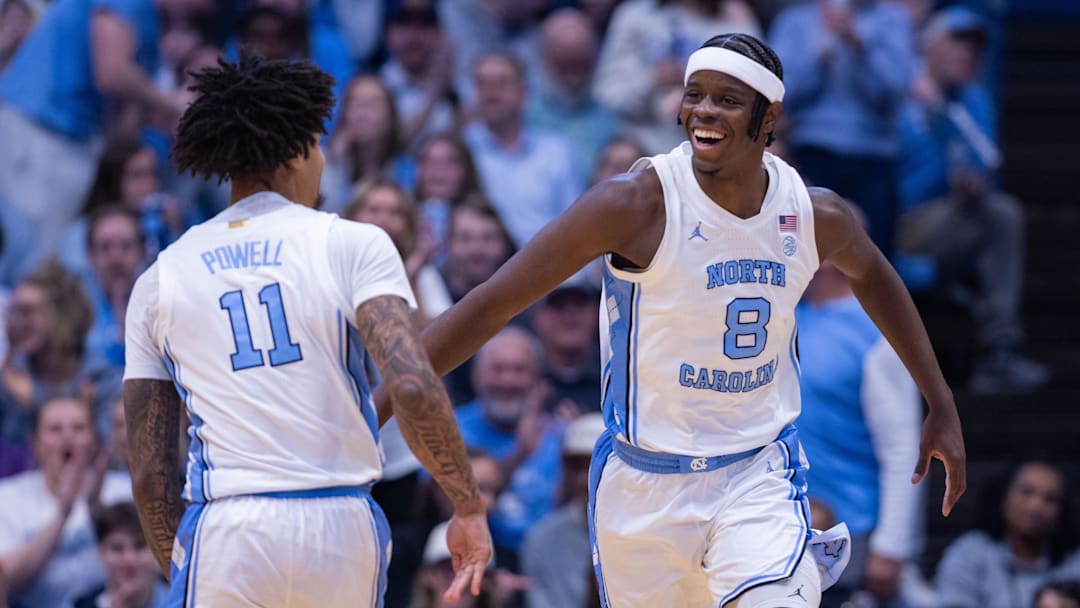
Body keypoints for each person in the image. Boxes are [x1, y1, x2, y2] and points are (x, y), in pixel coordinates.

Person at [383, 32, 966, 607]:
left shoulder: (814, 213)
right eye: (695, 94)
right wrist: (378, 404)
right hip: (643, 486)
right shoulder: (634, 204)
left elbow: (875, 277)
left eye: (727, 99)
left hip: (756, 472)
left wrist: (938, 399)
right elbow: (493, 301)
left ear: (769, 119)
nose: (703, 111)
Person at [122, 56, 491, 606]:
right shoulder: (352, 242)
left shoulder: (160, 277)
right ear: (297, 150)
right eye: (318, 146)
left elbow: (152, 472)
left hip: (231, 525)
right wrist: (467, 505)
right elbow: (411, 384)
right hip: (340, 524)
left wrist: (187, 564)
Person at [896, 6, 1048, 395]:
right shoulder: (901, 94)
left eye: (973, 47)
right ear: (929, 46)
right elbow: (902, 176)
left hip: (958, 217)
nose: (967, 54)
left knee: (1002, 212)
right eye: (957, 43)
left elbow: (983, 167)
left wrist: (970, 182)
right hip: (906, 220)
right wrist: (938, 121)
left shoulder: (975, 100)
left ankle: (1000, 349)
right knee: (995, 215)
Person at [796, 232, 924, 607]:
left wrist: (892, 546)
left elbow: (903, 447)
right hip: (787, 518)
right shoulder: (789, 317)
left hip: (853, 530)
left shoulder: (877, 333)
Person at [0, 397, 130, 607]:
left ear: (94, 439)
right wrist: (63, 514)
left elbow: (142, 565)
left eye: (78, 428)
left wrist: (96, 508)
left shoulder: (123, 490)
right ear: (35, 443)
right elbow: (7, 580)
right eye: (55, 429)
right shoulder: (7, 497)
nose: (67, 436)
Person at [935, 461, 1080, 608]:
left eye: (1050, 499)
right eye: (1026, 492)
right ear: (1003, 498)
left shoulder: (1073, 561)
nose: (1036, 507)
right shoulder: (970, 552)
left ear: (1062, 511)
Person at [522, 413, 606, 608]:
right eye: (575, 466)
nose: (582, 479)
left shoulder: (646, 532)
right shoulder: (543, 538)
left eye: (594, 466)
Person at [72, 501, 169, 608]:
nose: (129, 559)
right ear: (101, 552)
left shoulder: (182, 601)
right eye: (117, 548)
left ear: (157, 550)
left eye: (140, 546)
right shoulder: (79, 604)